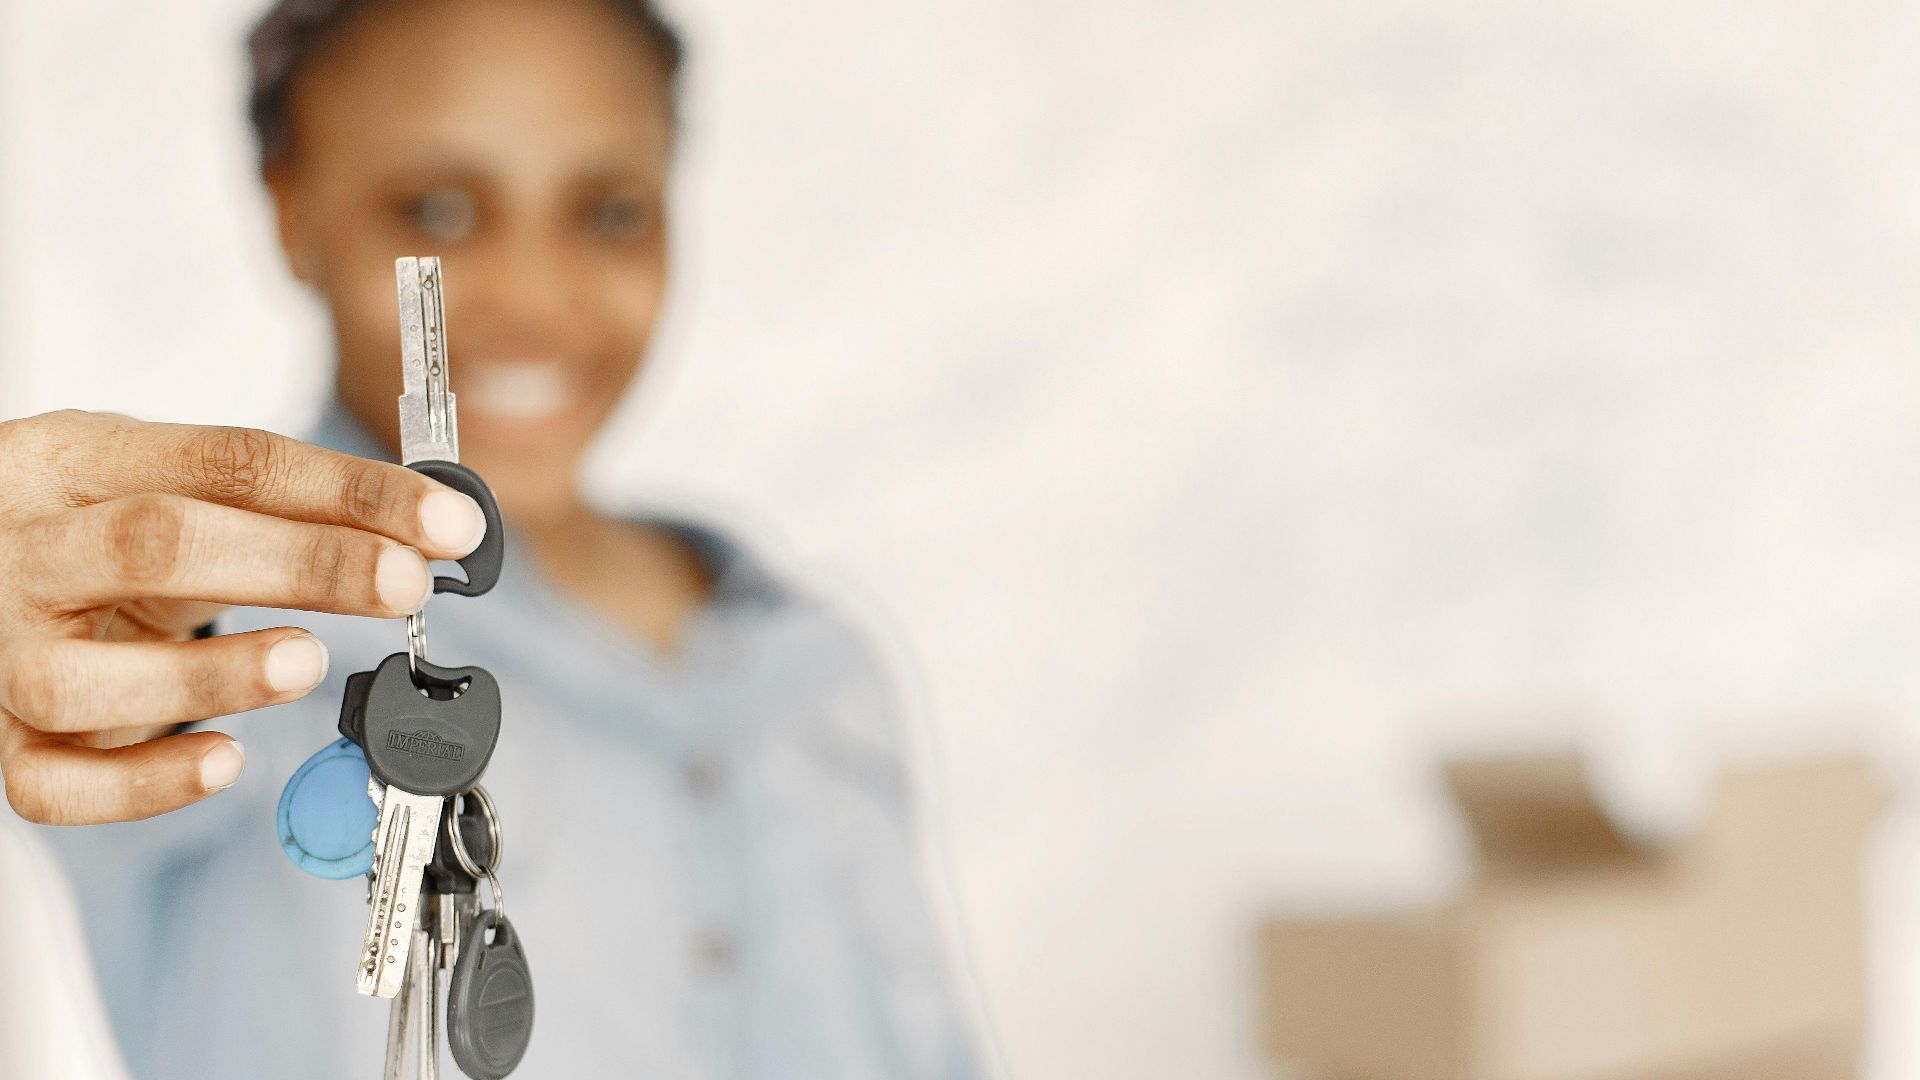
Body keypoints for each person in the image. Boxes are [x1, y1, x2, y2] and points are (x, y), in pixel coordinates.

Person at [1, 0, 987, 1076]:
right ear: (293, 209)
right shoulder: (201, 641)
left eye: (609, 211)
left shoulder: (815, 661)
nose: (532, 296)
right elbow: (77, 707)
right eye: (436, 206)